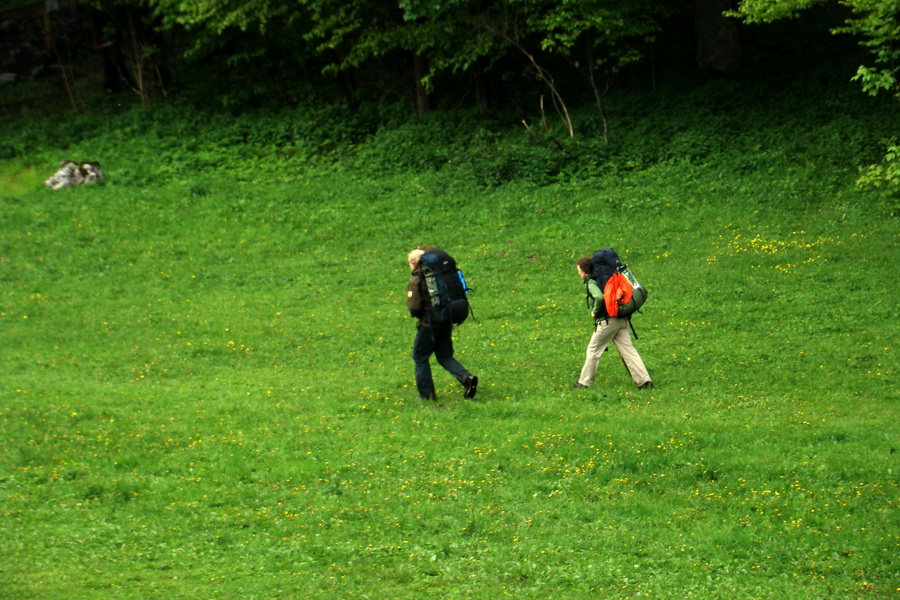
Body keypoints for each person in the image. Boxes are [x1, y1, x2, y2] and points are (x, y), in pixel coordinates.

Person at [407, 248, 478, 400]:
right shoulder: (439, 275)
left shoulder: (417, 280)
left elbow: (414, 307)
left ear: (414, 264)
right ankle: (467, 378)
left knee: (420, 357)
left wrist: (419, 315)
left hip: (429, 325)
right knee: (444, 355)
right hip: (446, 319)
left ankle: (426, 396)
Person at [574, 257, 654, 390]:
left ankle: (584, 383)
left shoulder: (592, 283)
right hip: (621, 319)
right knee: (628, 350)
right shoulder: (605, 279)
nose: (578, 273)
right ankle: (645, 381)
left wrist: (595, 312)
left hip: (608, 322)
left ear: (584, 271)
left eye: (579, 270)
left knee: (593, 350)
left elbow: (599, 297)